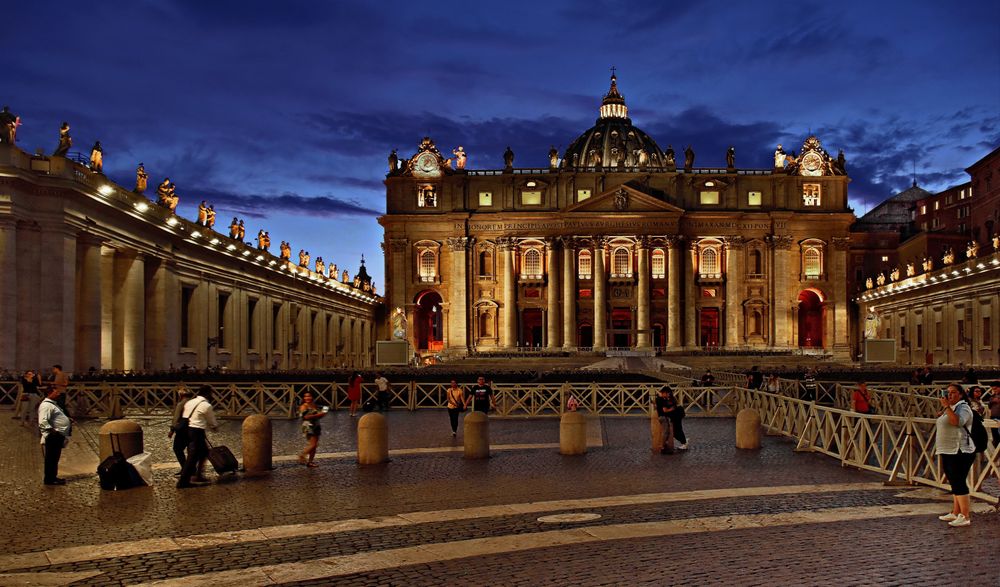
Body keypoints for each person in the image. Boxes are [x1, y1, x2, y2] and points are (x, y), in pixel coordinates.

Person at [935, 383, 976, 527]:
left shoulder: (963, 407)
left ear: (960, 394)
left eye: (953, 392)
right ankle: (955, 511)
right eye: (948, 392)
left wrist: (946, 407)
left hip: (960, 450)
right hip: (948, 449)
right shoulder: (952, 408)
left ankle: (965, 515)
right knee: (953, 481)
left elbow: (957, 422)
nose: (949, 395)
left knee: (958, 481)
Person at [177, 385, 217, 489]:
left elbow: (185, 416)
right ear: (208, 394)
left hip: (188, 430)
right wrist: (214, 427)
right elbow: (211, 421)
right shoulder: (206, 405)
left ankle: (198, 475)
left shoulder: (190, 402)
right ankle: (183, 481)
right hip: (197, 431)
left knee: (204, 452)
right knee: (192, 457)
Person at [38, 384, 72, 485]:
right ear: (49, 393)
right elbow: (42, 421)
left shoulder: (52, 404)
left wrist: (68, 420)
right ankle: (50, 479)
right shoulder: (46, 405)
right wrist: (53, 431)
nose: (58, 394)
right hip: (53, 435)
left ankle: (53, 477)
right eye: (56, 392)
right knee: (51, 458)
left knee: (54, 458)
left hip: (57, 434)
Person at [167, 388, 194, 470]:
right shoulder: (194, 403)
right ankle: (191, 468)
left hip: (182, 430)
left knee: (177, 449)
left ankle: (185, 468)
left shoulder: (181, 404)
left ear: (181, 395)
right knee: (191, 450)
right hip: (193, 429)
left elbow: (176, 418)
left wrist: (172, 430)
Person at [298, 392, 325, 468]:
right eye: (305, 396)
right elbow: (305, 417)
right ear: (303, 398)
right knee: (313, 444)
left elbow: (323, 412)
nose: (307, 398)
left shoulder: (314, 405)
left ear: (312, 397)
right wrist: (318, 414)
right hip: (308, 426)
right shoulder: (303, 406)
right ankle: (302, 455)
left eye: (309, 396)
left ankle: (310, 462)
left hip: (316, 425)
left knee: (314, 445)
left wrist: (323, 412)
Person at [654, 387, 675, 454]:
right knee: (665, 432)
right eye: (668, 393)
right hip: (663, 417)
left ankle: (664, 446)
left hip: (660, 417)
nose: (668, 395)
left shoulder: (658, 399)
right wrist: (672, 409)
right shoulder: (662, 400)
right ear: (664, 393)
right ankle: (663, 447)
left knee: (667, 432)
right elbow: (665, 410)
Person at [988, 382, 1000, 447]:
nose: (994, 391)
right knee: (995, 436)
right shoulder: (992, 396)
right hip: (993, 417)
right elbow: (989, 406)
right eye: (993, 389)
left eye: (995, 389)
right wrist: (993, 401)